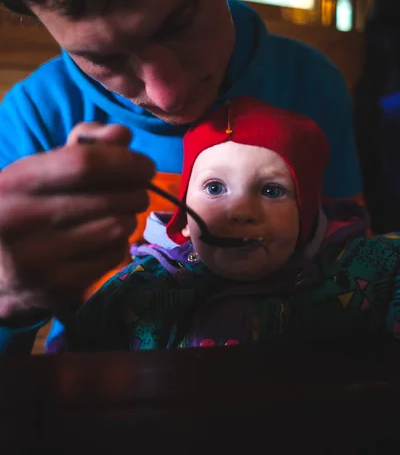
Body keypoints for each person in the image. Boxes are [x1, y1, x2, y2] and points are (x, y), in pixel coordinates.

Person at [0, 0, 361, 354]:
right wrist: (11, 295)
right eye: (102, 58)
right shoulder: (35, 121)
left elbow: (354, 274)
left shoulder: (312, 85)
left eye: (179, 23)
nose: (167, 94)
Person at [58, 96, 400, 352]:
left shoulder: (365, 271)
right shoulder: (136, 289)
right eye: (215, 188)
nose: (239, 211)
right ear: (185, 219)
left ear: (306, 214)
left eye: (271, 190)